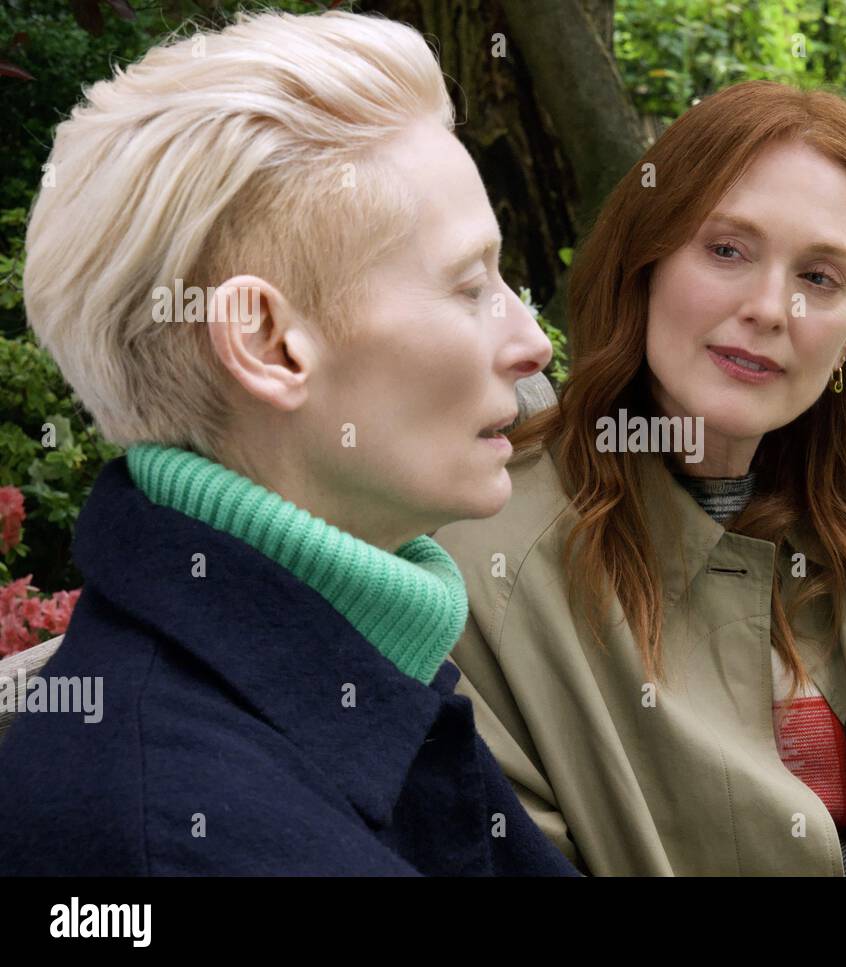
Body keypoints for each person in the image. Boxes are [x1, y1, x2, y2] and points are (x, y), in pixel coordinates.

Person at [435, 80, 846, 876]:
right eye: (726, 250)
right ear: (644, 261)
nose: (770, 307)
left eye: (820, 277)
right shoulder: (488, 558)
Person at [0, 9, 575, 876]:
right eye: (468, 285)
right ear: (268, 342)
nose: (533, 341)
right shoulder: (178, 835)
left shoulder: (351, 672)